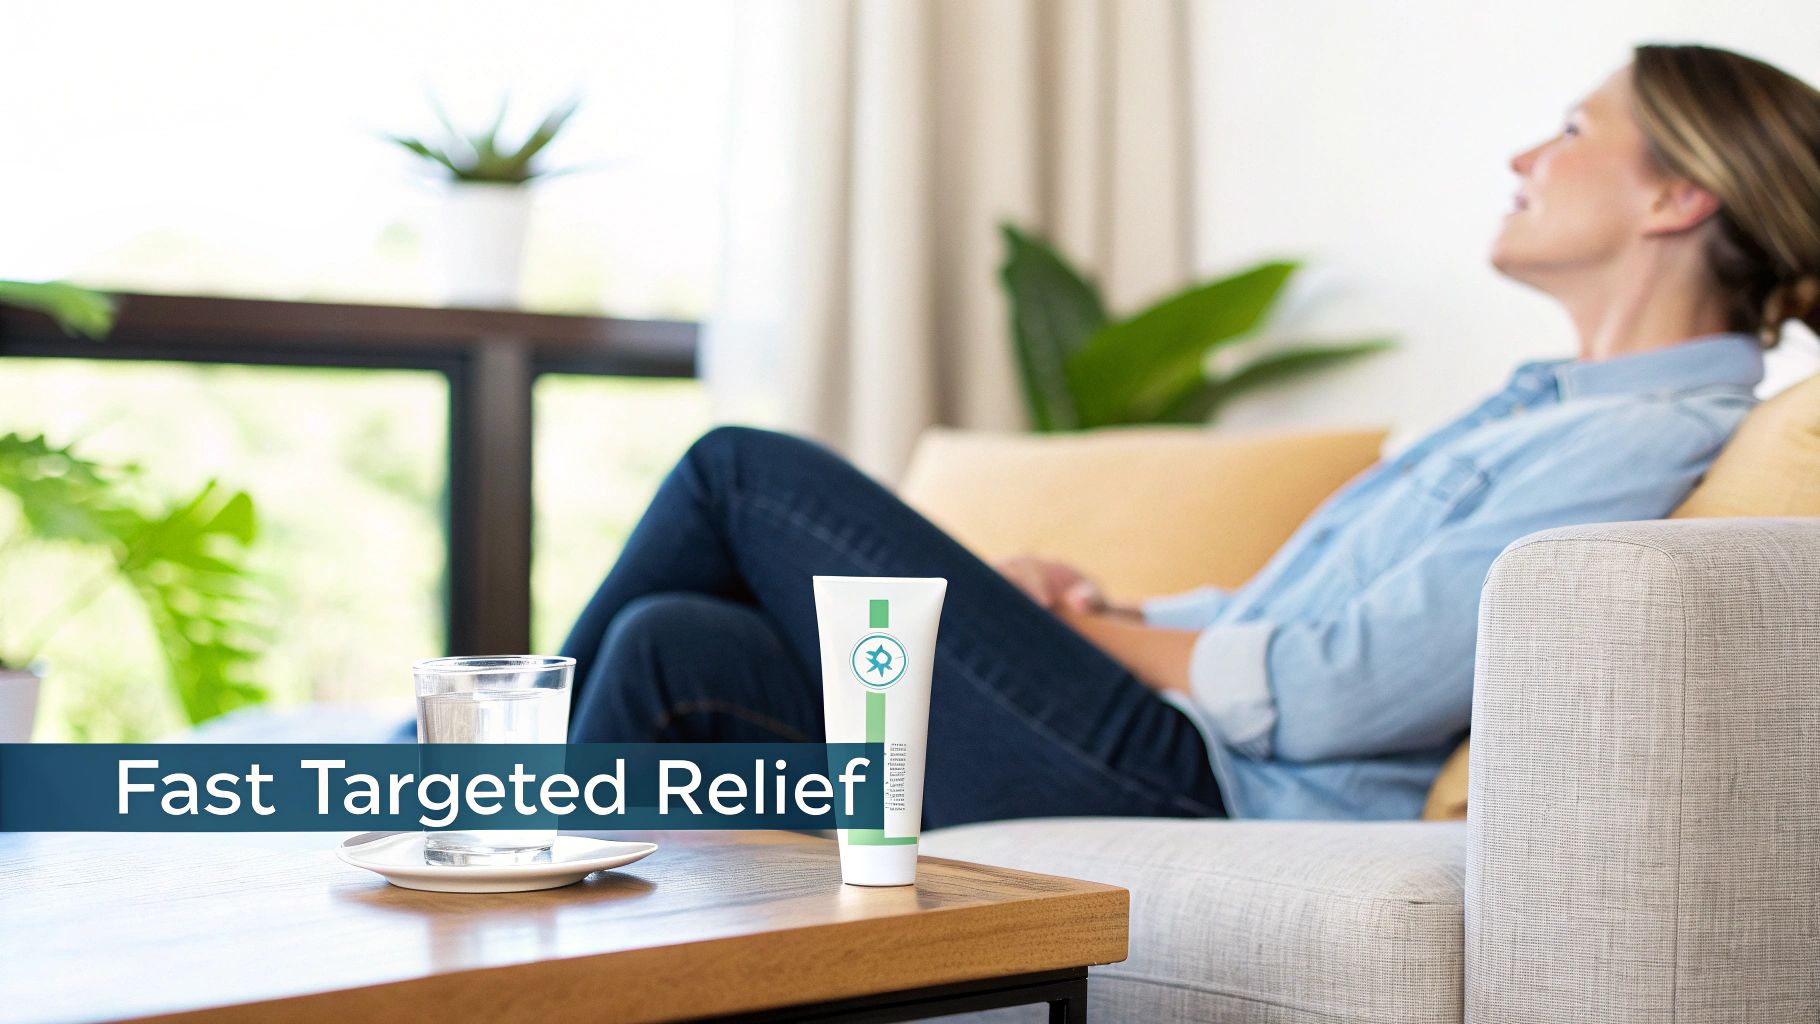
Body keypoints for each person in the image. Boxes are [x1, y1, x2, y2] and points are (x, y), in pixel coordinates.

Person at [561, 44, 1820, 824]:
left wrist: (1082, 633)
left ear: (1674, 193)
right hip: (1180, 735)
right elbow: (1288, 617)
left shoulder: (1644, 435)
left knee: (739, 471)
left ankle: (482, 799)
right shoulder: (1541, 407)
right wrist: (1121, 610)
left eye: (1568, 129)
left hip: (1209, 783)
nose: (1522, 154)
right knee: (678, 647)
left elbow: (1341, 687)